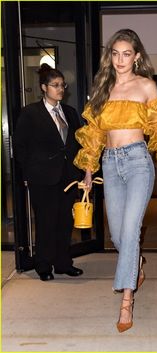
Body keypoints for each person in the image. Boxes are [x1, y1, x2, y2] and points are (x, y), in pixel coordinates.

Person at [73, 29, 157, 332]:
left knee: (130, 230)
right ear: (110, 57)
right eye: (115, 53)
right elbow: (93, 134)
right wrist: (89, 170)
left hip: (137, 164)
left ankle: (126, 301)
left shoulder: (146, 86)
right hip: (109, 162)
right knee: (118, 236)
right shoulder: (102, 89)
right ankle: (137, 264)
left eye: (126, 53)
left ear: (137, 56)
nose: (120, 59)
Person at [13, 64, 83, 281]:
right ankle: (43, 265)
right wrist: (26, 174)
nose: (60, 89)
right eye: (55, 85)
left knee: (65, 222)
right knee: (45, 221)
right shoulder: (30, 113)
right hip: (41, 177)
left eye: (62, 85)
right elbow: (20, 146)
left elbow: (77, 144)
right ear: (44, 87)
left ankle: (63, 263)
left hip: (67, 177)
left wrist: (80, 173)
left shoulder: (70, 112)